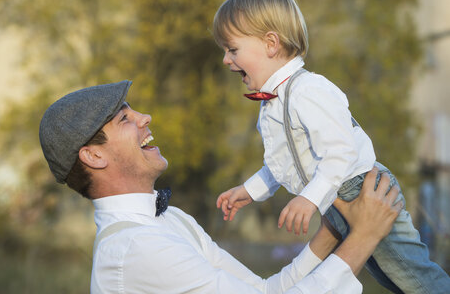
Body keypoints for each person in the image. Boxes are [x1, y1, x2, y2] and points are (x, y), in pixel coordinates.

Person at [39, 80, 403, 293]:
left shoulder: (170, 220)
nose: (144, 118)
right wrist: (363, 239)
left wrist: (331, 233)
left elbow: (263, 291)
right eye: (124, 118)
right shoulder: (136, 248)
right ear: (93, 157)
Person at [213, 0, 450, 293]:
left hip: (360, 191)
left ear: (271, 44)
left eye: (232, 49)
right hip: (336, 202)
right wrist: (251, 189)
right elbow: (282, 164)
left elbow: (341, 153)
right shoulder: (271, 104)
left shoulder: (308, 90)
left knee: (417, 280)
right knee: (395, 282)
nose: (226, 60)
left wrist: (309, 199)